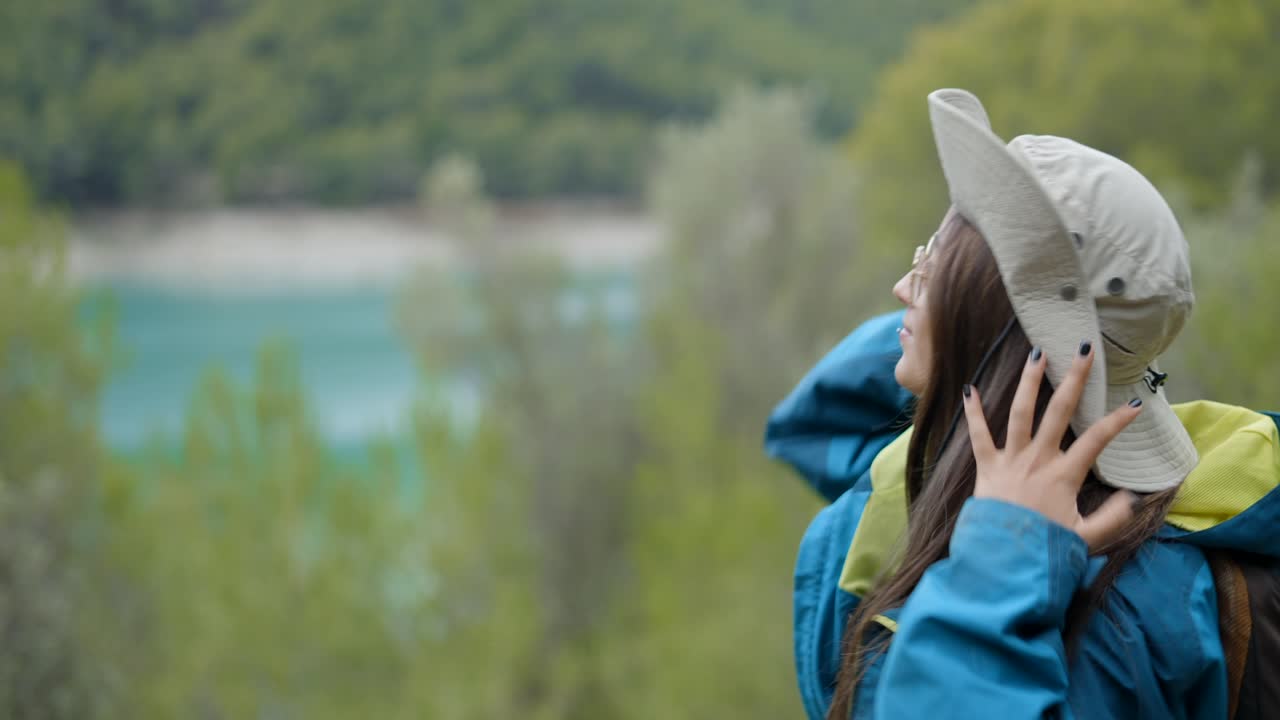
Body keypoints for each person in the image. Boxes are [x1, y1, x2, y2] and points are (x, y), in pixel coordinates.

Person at [764, 89, 1280, 719]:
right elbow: (812, 419)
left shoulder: (1128, 611)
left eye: (930, 274)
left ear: (990, 323)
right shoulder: (910, 484)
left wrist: (1002, 566)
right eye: (920, 259)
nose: (900, 288)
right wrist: (955, 334)